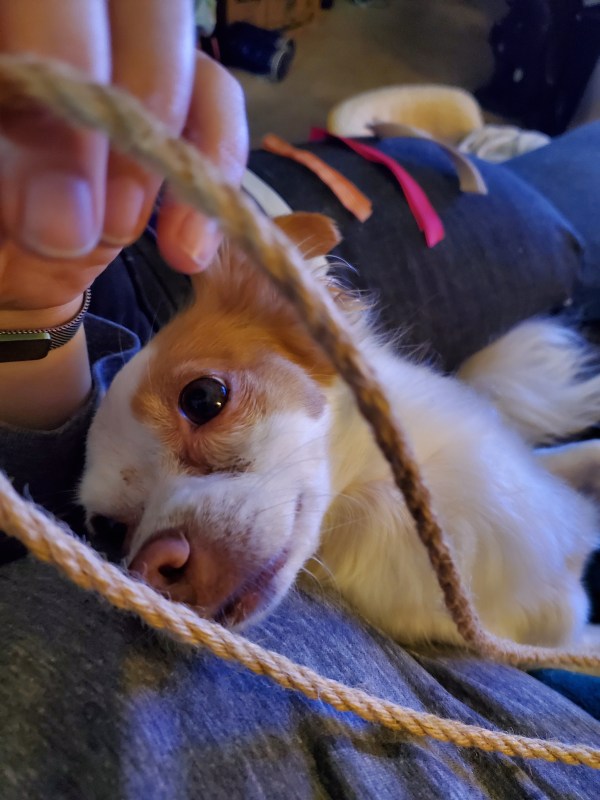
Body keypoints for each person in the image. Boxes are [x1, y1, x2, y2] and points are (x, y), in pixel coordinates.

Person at [1, 5, 600, 798]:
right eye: (119, 531)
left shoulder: (269, 308)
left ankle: (457, 153)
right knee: (562, 211)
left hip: (168, 246)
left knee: (538, 218)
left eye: (206, 403)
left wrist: (30, 304)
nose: (155, 558)